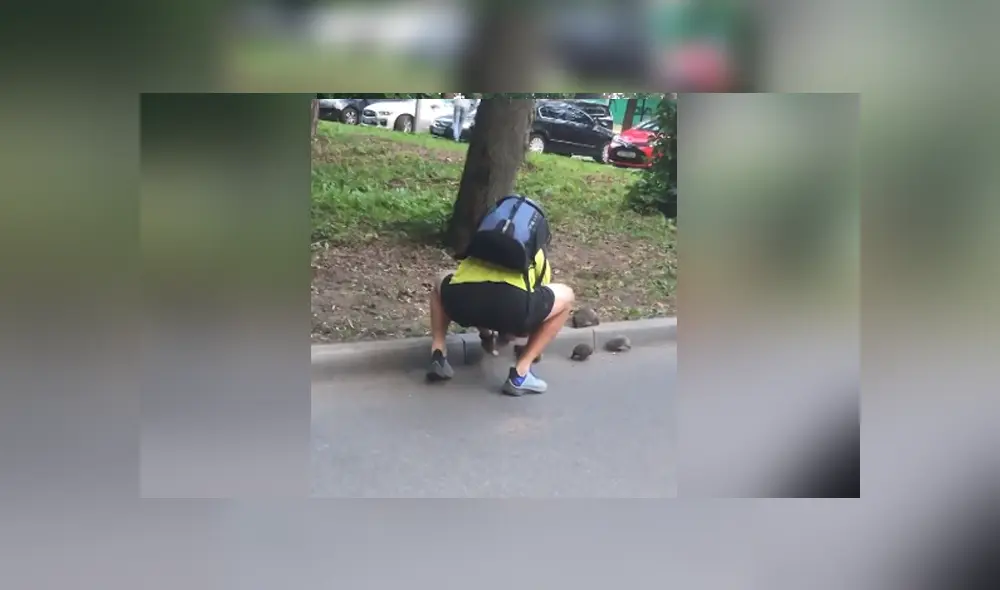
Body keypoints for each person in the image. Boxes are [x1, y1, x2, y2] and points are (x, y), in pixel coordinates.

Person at [426, 196, 575, 396]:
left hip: (461, 301)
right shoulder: (534, 251)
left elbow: (481, 288)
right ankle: (521, 373)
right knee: (565, 297)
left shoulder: (481, 239)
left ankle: (438, 351)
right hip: (512, 309)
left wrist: (486, 330)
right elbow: (538, 295)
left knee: (441, 279)